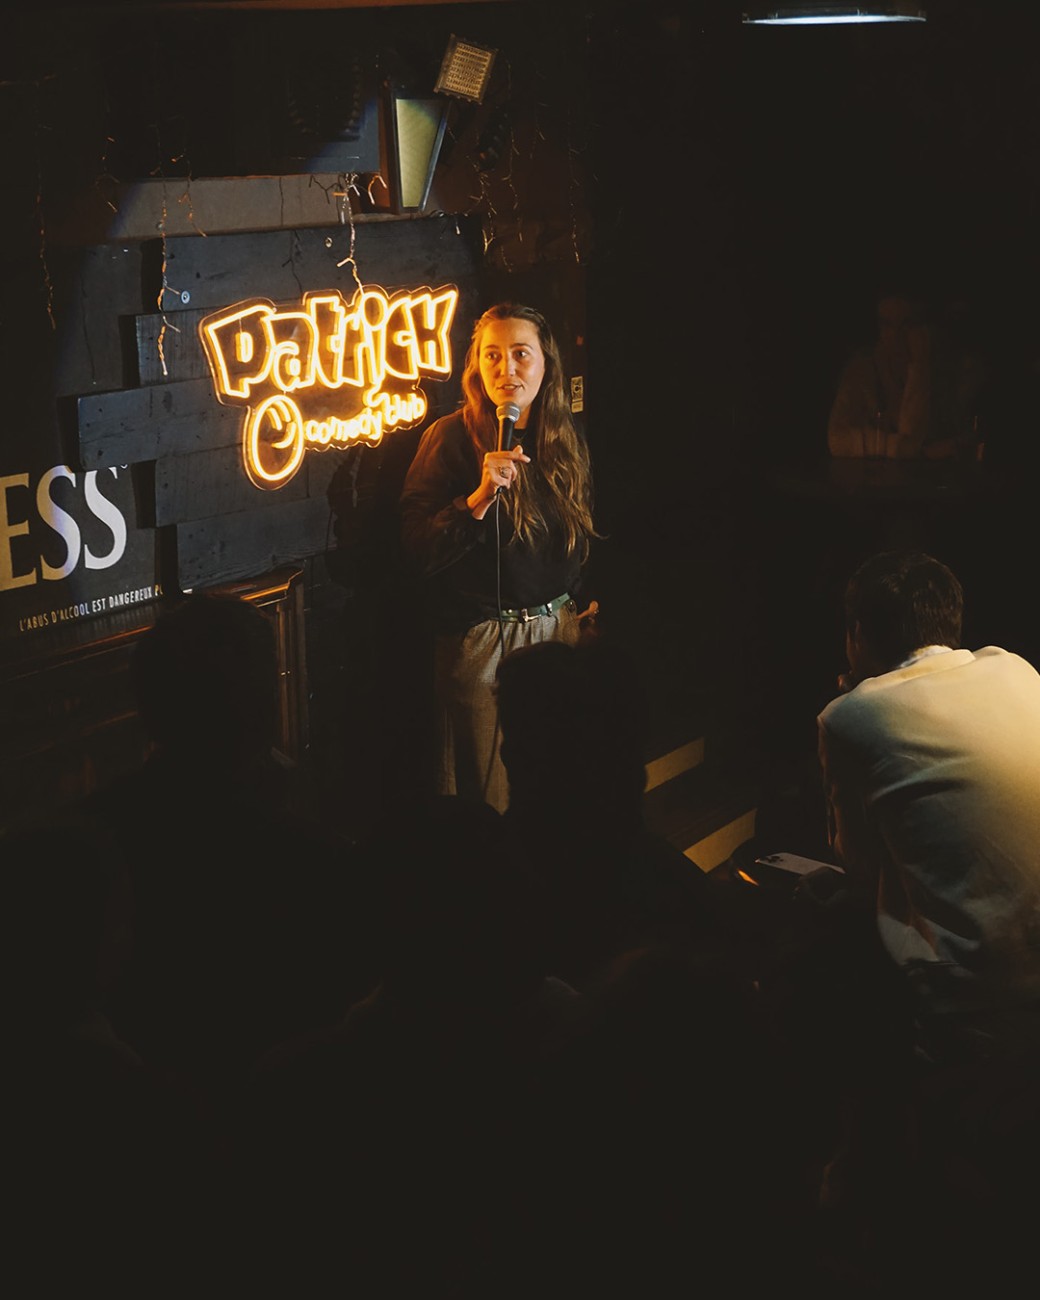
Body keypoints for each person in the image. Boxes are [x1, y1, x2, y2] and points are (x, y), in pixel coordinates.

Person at [809, 548, 1040, 1286]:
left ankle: (856, 1172)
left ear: (857, 635)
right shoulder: (1017, 670)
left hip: (975, 1024)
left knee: (838, 928)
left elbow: (859, 864)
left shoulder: (850, 716)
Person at [399, 301, 600, 812]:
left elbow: (578, 531)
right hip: (485, 639)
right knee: (490, 800)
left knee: (559, 788)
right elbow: (417, 548)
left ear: (546, 363)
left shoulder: (565, 435)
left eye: (520, 354)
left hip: (558, 631)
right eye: (492, 355)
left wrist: (580, 607)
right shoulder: (449, 438)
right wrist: (477, 500)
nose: (506, 369)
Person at [826, 286, 975, 461]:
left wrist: (919, 365)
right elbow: (836, 439)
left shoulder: (945, 370)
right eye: (887, 324)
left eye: (906, 325)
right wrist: (910, 450)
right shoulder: (863, 369)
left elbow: (961, 437)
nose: (896, 335)